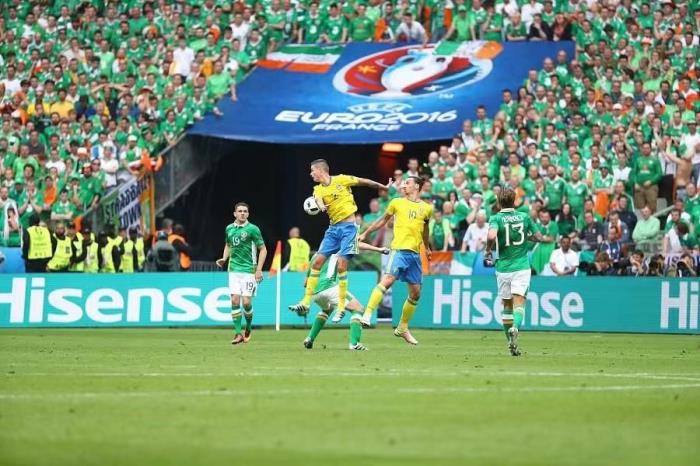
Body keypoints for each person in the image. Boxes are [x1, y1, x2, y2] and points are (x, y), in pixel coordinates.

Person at [289, 159, 390, 317]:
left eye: (312, 170)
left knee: (342, 265)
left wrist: (383, 186)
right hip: (333, 230)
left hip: (349, 228)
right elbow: (318, 200)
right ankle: (306, 302)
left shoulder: (341, 180)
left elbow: (363, 181)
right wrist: (321, 206)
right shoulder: (317, 189)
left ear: (321, 170)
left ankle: (341, 306)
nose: (311, 173)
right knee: (317, 262)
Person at [358, 176, 433, 345]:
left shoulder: (427, 209)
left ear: (417, 186)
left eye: (408, 183)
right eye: (404, 183)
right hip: (399, 250)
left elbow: (425, 230)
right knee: (388, 280)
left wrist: (427, 247)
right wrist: (366, 233)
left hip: (415, 255)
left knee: (416, 293)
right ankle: (367, 314)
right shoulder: (397, 202)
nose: (404, 185)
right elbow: (382, 221)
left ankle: (402, 328)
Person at [483, 188, 543, 356]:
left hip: (503, 268)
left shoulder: (496, 218)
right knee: (519, 303)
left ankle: (511, 343)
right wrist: (525, 236)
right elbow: (539, 237)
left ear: (498, 202)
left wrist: (488, 250)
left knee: (507, 305)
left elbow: (491, 236)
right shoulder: (524, 217)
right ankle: (515, 327)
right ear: (514, 201)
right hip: (521, 266)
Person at [298, 243, 389, 351]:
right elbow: (356, 244)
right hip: (329, 287)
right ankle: (354, 344)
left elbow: (305, 283)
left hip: (314, 293)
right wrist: (378, 249)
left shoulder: (315, 256)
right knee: (358, 309)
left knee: (327, 310)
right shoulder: (336, 247)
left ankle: (309, 338)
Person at [216, 202, 267, 345]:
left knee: (246, 302)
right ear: (235, 214)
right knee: (234, 300)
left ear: (248, 214)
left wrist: (258, 270)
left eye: (245, 211)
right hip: (233, 270)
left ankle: (248, 327)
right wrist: (224, 258)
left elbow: (263, 249)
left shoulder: (253, 229)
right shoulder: (229, 228)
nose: (242, 213)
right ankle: (238, 333)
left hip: (249, 271)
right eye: (240, 211)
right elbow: (228, 244)